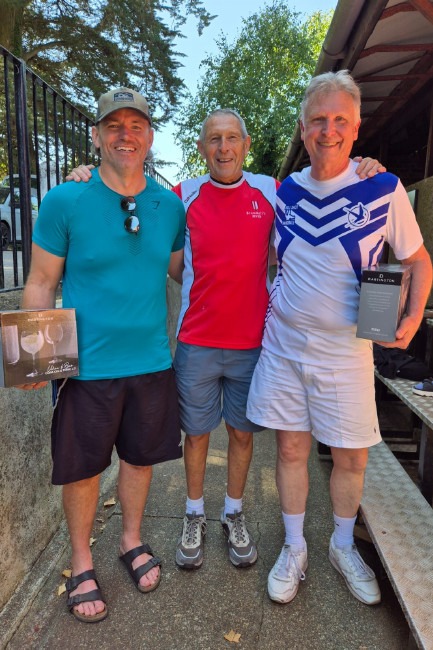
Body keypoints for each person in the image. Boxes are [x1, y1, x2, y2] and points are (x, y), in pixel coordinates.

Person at [67, 109, 384, 573]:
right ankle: (194, 513)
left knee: (240, 434)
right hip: (196, 341)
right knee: (196, 435)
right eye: (214, 139)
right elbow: (128, 195)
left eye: (232, 138)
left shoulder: (273, 191)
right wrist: (85, 176)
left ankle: (233, 512)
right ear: (201, 147)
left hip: (253, 343)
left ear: (246, 144)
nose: (223, 147)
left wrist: (362, 168)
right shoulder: (181, 195)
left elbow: (324, 181)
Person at [246, 71, 433, 606]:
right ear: (303, 128)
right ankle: (295, 546)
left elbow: (419, 262)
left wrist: (411, 319)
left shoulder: (383, 188)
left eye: (339, 121)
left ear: (355, 128)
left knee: (352, 458)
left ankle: (342, 545)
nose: (328, 130)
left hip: (348, 353)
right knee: (290, 449)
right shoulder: (283, 192)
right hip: (283, 349)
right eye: (318, 120)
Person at [19, 87, 186, 623]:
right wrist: (32, 358)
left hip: (152, 364)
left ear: (150, 137)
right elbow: (40, 281)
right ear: (96, 135)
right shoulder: (65, 200)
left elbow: (183, 272)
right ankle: (81, 559)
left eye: (136, 125)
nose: (125, 135)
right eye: (114, 125)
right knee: (84, 469)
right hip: (85, 369)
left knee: (139, 461)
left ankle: (130, 540)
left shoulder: (170, 207)